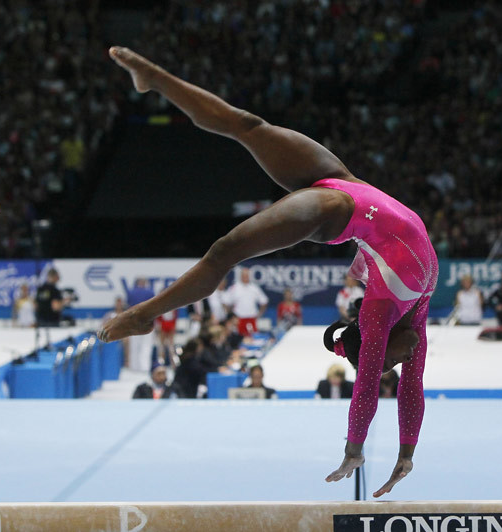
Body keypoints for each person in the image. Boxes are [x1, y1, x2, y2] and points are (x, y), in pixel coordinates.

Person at [98, 47, 439, 497]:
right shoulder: (390, 315)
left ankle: (147, 312)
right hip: (336, 197)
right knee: (244, 148)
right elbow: (383, 389)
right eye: (387, 364)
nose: (390, 367)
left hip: (340, 196)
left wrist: (386, 454)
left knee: (236, 197)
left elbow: (400, 389)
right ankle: (157, 79)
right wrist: (379, 452)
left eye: (384, 364)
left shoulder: (397, 314)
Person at [223, 267, 268, 335]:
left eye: (247, 275)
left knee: (252, 338)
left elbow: (264, 301)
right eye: (244, 275)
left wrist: (259, 314)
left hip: (251, 318)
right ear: (241, 276)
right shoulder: (235, 288)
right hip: (238, 319)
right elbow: (225, 301)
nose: (245, 277)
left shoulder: (254, 288)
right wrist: (230, 316)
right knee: (239, 339)